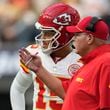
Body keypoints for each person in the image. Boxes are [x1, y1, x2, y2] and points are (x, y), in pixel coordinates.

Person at [19, 16, 110, 110]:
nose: (73, 38)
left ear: (89, 38)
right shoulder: (90, 63)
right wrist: (39, 69)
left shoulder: (106, 63)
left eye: (77, 35)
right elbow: (65, 92)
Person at [10, 3, 82, 110]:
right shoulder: (34, 53)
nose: (43, 37)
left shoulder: (83, 60)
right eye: (42, 32)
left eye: (48, 33)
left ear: (66, 34)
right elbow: (18, 88)